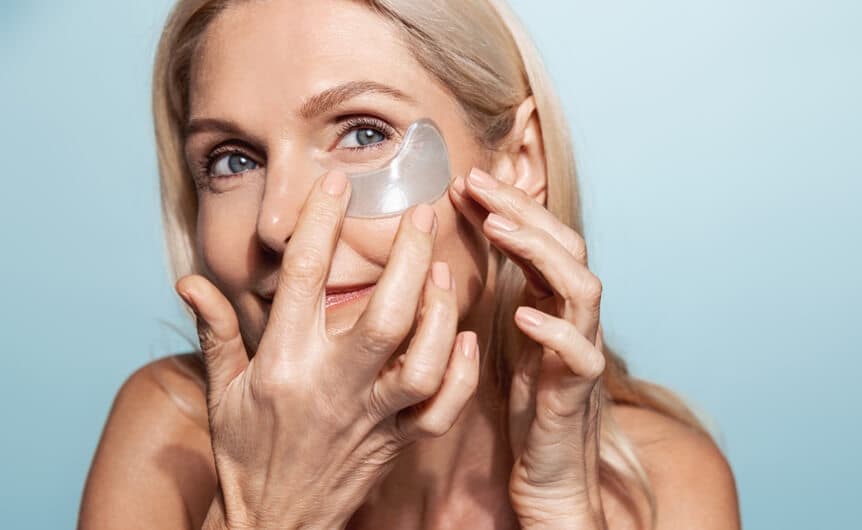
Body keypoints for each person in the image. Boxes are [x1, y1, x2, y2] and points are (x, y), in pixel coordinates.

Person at [79, 1, 740, 528]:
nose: (275, 223)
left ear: (519, 162)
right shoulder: (170, 441)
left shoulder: (662, 484)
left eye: (364, 133)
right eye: (233, 160)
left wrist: (564, 512)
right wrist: (267, 511)